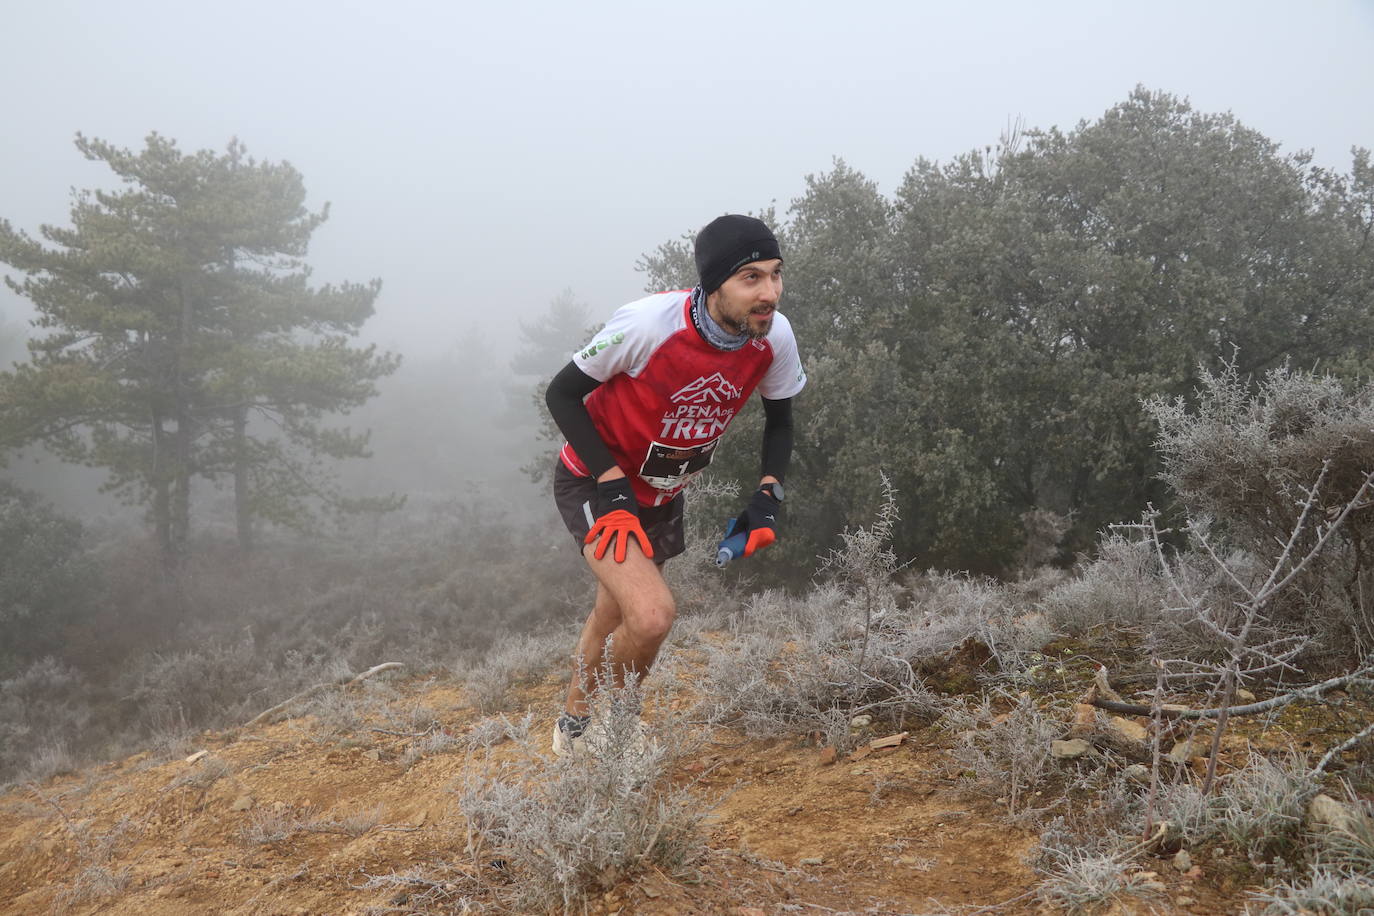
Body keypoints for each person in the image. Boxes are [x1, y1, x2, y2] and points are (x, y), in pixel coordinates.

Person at [544, 214, 806, 756]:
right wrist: (612, 485)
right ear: (714, 284)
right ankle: (618, 732)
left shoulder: (773, 337)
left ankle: (572, 725)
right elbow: (561, 395)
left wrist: (768, 494)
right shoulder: (648, 326)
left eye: (776, 274)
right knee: (652, 613)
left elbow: (780, 419)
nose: (770, 293)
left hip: (663, 490)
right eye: (750, 278)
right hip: (595, 482)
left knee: (613, 613)